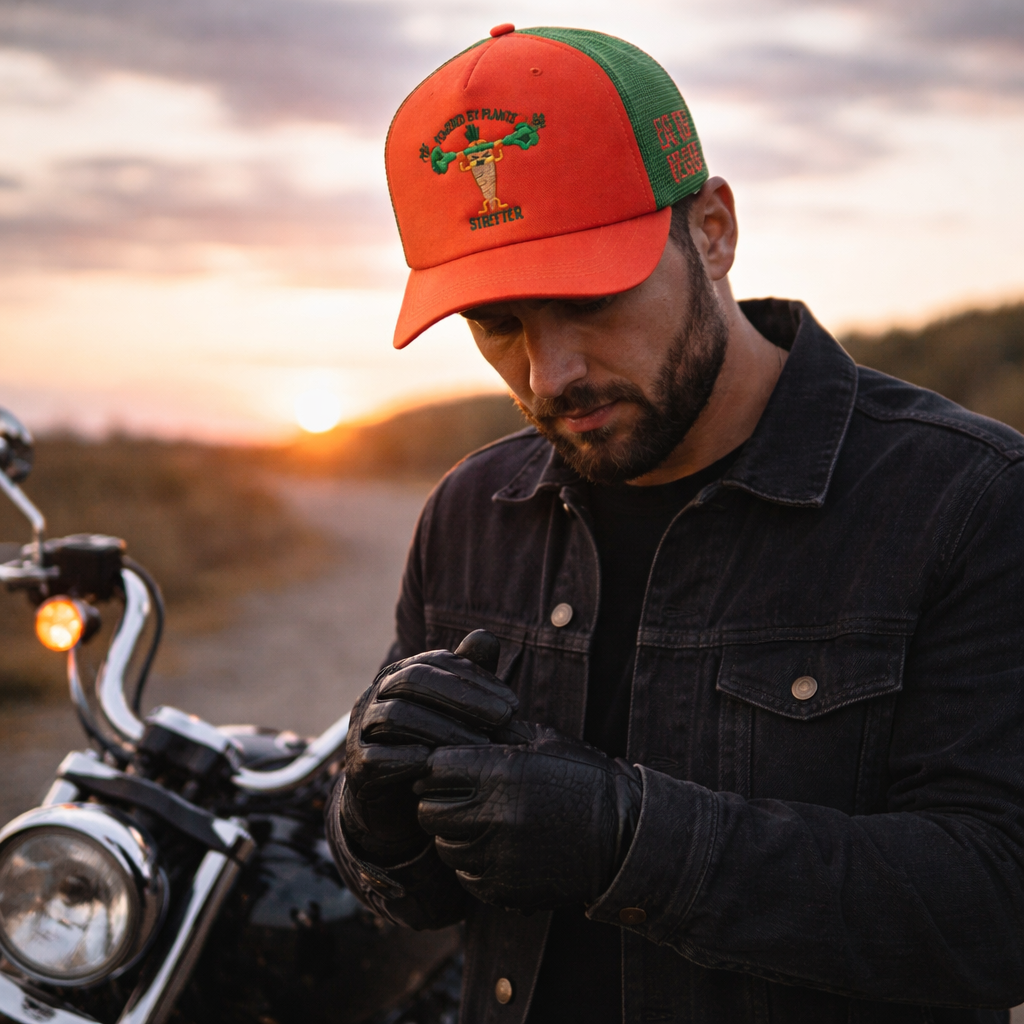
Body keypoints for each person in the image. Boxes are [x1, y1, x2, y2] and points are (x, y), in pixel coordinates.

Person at [326, 24, 1024, 1024]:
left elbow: (998, 907)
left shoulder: (967, 501)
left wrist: (627, 843)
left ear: (712, 230)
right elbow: (411, 902)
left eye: (587, 297)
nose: (549, 374)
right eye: (498, 323)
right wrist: (375, 824)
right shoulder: (471, 511)